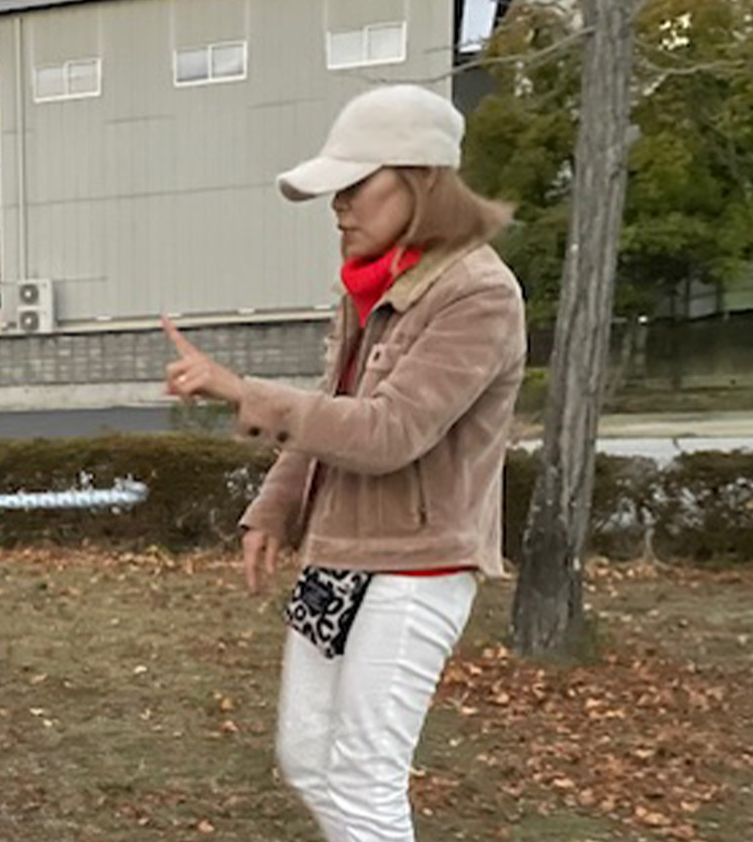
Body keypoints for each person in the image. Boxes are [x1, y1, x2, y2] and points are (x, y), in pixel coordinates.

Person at [161, 84, 526, 842]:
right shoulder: (373, 287)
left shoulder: (478, 293)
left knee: (364, 779)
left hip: (418, 567)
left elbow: (391, 431)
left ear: (421, 179)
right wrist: (273, 507)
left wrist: (241, 389)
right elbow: (336, 404)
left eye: (354, 186)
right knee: (306, 760)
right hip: (338, 554)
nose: (338, 207)